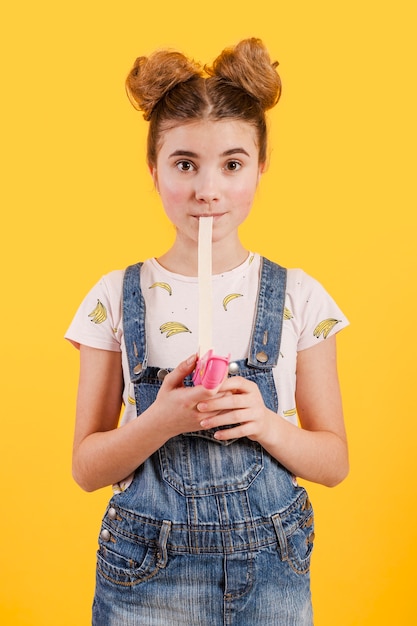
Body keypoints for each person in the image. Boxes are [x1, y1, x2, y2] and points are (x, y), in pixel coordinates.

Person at [65, 37, 349, 626]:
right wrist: (160, 421)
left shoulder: (300, 296)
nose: (208, 190)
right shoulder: (115, 297)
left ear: (261, 166)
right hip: (146, 573)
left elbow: (334, 462)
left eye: (233, 164)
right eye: (185, 164)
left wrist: (266, 423)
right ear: (154, 168)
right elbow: (88, 468)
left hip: (272, 570)